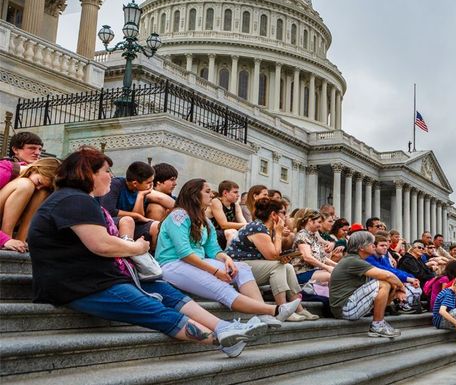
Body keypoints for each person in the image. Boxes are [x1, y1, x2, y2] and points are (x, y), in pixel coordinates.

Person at [27, 147, 267, 357]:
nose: (111, 177)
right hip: (80, 284)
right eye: (106, 171)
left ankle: (224, 327)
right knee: (151, 308)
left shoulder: (79, 200)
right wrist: (137, 247)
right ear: (88, 174)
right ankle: (219, 339)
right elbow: (101, 244)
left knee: (162, 289)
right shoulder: (72, 200)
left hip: (101, 276)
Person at [155, 178, 285, 328]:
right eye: (208, 191)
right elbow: (184, 253)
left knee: (241, 268)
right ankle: (273, 310)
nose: (212, 195)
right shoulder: (178, 216)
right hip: (172, 264)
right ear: (194, 194)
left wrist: (226, 259)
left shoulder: (205, 220)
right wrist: (216, 271)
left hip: (197, 261)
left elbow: (213, 250)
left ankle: (263, 315)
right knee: (220, 285)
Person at [225, 198, 317, 322]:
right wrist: (278, 233)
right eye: (283, 213)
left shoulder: (265, 227)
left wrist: (282, 256)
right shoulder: (257, 228)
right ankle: (283, 309)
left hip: (249, 265)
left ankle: (299, 308)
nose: (286, 216)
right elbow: (272, 256)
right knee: (278, 266)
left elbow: (273, 255)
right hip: (237, 267)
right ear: (274, 215)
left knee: (288, 267)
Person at [328, 230, 404, 337]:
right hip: (344, 308)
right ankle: (377, 325)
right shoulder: (352, 261)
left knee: (391, 284)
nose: (374, 246)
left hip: (347, 306)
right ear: (361, 247)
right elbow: (387, 275)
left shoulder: (355, 260)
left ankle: (379, 322)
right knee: (384, 283)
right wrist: (402, 288)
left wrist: (397, 287)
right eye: (371, 243)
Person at [100, 161, 173, 248]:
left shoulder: (140, 190)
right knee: (128, 220)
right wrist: (135, 216)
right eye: (148, 182)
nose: (151, 186)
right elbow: (109, 211)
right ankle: (127, 255)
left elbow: (139, 216)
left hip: (133, 224)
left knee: (156, 226)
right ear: (135, 183)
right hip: (115, 222)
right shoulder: (116, 184)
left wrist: (140, 196)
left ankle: (154, 257)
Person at [0, 157, 59, 242]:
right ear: (35, 169)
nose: (38, 187)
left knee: (43, 192)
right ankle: (7, 236)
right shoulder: (3, 171)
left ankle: (21, 239)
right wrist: (4, 240)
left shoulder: (38, 185)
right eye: (39, 182)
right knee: (25, 184)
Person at [365, 233, 422, 312]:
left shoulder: (382, 256)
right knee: (393, 284)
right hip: (369, 286)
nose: (385, 247)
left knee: (413, 285)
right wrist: (405, 281)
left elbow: (393, 270)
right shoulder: (369, 258)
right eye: (382, 245)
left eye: (386, 245)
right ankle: (402, 305)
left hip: (381, 281)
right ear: (374, 247)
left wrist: (411, 278)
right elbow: (386, 271)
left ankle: (404, 304)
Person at [290, 209, 336, 285]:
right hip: (301, 272)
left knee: (338, 273)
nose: (320, 225)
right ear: (310, 221)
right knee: (332, 276)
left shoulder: (312, 236)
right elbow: (307, 257)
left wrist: (336, 265)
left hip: (312, 270)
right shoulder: (302, 235)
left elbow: (322, 258)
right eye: (319, 222)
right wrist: (327, 267)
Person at [209, 180, 247, 249]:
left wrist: (248, 227)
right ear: (225, 193)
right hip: (211, 234)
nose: (238, 195)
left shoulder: (235, 205)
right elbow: (223, 225)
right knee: (232, 232)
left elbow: (243, 222)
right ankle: (228, 255)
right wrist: (247, 225)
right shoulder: (216, 201)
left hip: (225, 235)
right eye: (235, 192)